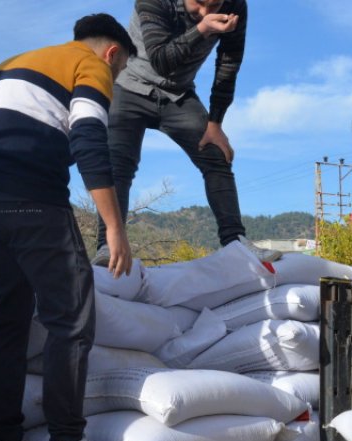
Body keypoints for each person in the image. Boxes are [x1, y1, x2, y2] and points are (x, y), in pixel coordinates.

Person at [0, 13, 137, 441]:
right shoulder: (89, 65)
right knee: (69, 319)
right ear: (112, 53)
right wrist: (114, 226)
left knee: (6, 320)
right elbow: (90, 140)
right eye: (119, 72)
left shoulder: (10, 64)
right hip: (30, 201)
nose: (114, 80)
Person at [93, 0, 266, 263]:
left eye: (214, 6)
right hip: (129, 86)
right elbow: (161, 61)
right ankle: (107, 246)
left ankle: (235, 242)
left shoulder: (234, 5)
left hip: (178, 93)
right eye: (199, 4)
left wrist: (215, 123)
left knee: (216, 154)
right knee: (117, 164)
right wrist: (203, 29)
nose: (205, 13)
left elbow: (229, 62)